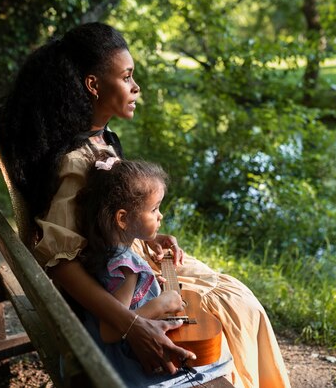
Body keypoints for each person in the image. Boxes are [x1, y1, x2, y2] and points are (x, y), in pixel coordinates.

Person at [0, 21, 291, 388]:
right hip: (111, 289)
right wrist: (132, 324)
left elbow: (104, 216)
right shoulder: (76, 162)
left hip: (127, 260)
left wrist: (144, 232)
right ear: (93, 85)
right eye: (127, 77)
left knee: (237, 299)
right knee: (233, 305)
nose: (136, 88)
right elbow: (61, 263)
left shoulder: (102, 142)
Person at [75, 154, 233, 386]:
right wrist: (162, 303)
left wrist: (146, 285)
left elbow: (120, 301)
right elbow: (110, 331)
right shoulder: (127, 267)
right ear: (122, 219)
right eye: (154, 209)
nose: (161, 216)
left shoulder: (99, 250)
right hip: (128, 363)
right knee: (217, 359)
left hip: (96, 348)